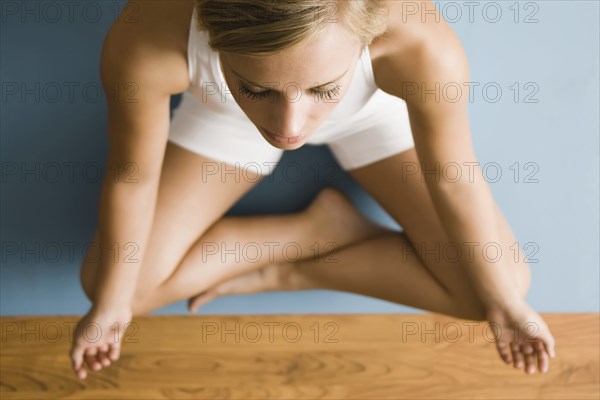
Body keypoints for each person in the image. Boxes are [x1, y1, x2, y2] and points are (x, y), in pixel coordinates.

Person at [70, 0, 556, 380]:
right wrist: (112, 307)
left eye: (321, 88)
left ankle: (292, 268)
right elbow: (132, 176)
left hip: (373, 111)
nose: (290, 126)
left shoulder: (420, 43)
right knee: (107, 286)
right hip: (226, 118)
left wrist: (507, 307)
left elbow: (452, 175)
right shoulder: (147, 36)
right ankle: (310, 230)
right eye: (258, 87)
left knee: (498, 291)